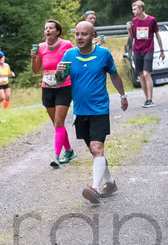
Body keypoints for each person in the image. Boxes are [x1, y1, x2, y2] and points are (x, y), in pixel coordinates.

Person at [62, 21, 129, 204]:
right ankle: (110, 182)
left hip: (99, 109)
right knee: (94, 151)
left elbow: (114, 75)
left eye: (84, 34)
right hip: (80, 111)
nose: (79, 38)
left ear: (93, 36)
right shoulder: (69, 55)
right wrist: (59, 74)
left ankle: (95, 188)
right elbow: (59, 82)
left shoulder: (103, 54)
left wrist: (122, 95)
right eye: (77, 34)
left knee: (97, 148)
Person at [31, 18, 76, 168]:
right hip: (48, 87)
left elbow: (74, 64)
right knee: (58, 125)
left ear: (57, 31)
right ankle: (69, 151)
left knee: (58, 122)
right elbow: (36, 70)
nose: (48, 30)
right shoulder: (41, 47)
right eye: (46, 28)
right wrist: (33, 57)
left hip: (64, 87)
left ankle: (56, 157)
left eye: (51, 28)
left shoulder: (67, 45)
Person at [126, 0, 164, 107]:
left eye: (135, 9)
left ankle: (151, 99)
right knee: (141, 75)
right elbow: (132, 37)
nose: (133, 11)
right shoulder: (134, 21)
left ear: (141, 9)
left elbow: (157, 35)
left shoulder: (151, 20)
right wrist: (129, 30)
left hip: (148, 49)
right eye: (132, 9)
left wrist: (161, 50)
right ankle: (146, 98)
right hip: (137, 50)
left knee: (147, 73)